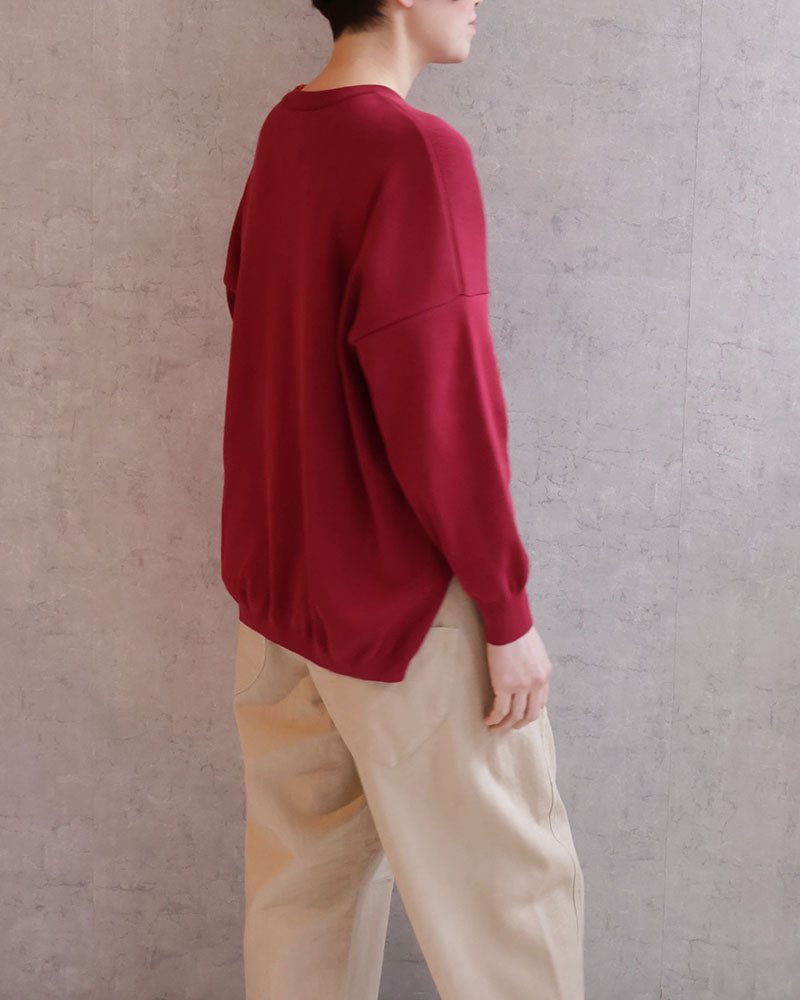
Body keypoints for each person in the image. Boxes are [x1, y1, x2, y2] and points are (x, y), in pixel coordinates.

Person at [221, 0, 585, 997]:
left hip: (281, 609)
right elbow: (444, 408)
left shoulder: (286, 131)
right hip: (403, 615)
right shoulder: (415, 152)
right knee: (511, 915)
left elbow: (253, 310)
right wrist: (505, 610)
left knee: (302, 909)